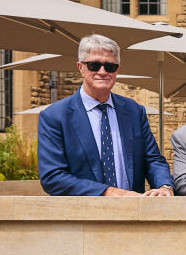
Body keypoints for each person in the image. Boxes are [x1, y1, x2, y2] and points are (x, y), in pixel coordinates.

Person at [37, 34, 173, 196]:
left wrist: (165, 187)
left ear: (117, 70)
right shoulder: (55, 116)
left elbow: (153, 159)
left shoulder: (134, 111)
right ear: (80, 67)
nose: (102, 72)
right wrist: (109, 192)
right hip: (83, 217)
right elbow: (53, 177)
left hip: (133, 215)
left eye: (110, 67)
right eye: (94, 65)